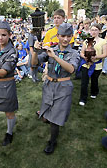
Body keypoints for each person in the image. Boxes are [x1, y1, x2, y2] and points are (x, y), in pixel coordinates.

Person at [32, 23, 79, 154]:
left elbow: (71, 69)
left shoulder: (74, 52)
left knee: (55, 119)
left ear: (71, 36)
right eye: (63, 36)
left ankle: (52, 141)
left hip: (63, 87)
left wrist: (55, 57)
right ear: (57, 36)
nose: (65, 39)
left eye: (68, 36)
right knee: (45, 117)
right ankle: (50, 118)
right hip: (49, 85)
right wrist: (35, 51)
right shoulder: (51, 49)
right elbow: (34, 63)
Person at [78, 24, 107, 106]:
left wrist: (96, 57)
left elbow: (105, 54)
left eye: (95, 30)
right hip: (86, 64)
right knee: (84, 82)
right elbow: (81, 52)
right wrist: (85, 57)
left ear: (99, 31)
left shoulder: (103, 41)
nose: (93, 32)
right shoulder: (87, 41)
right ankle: (83, 98)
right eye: (92, 30)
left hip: (97, 65)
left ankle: (94, 91)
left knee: (94, 80)